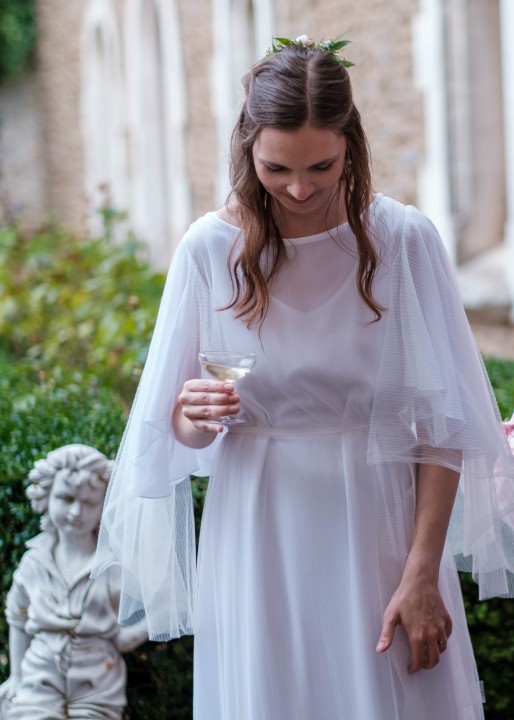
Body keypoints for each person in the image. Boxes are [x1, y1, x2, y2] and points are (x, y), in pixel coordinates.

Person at [92, 36, 514, 719]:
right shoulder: (209, 250)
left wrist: (421, 573)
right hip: (256, 528)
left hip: (379, 525)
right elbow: (179, 432)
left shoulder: (404, 240)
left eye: (321, 165)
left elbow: (444, 429)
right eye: (276, 168)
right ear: (248, 149)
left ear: (352, 145)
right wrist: (192, 416)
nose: (298, 188)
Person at [0, 444, 147, 720]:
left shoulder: (113, 564)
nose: (76, 512)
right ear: (46, 496)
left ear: (104, 505)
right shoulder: (34, 562)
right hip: (40, 674)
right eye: (65, 498)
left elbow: (160, 604)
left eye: (89, 503)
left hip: (97, 681)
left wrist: (128, 636)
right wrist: (16, 675)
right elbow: (17, 617)